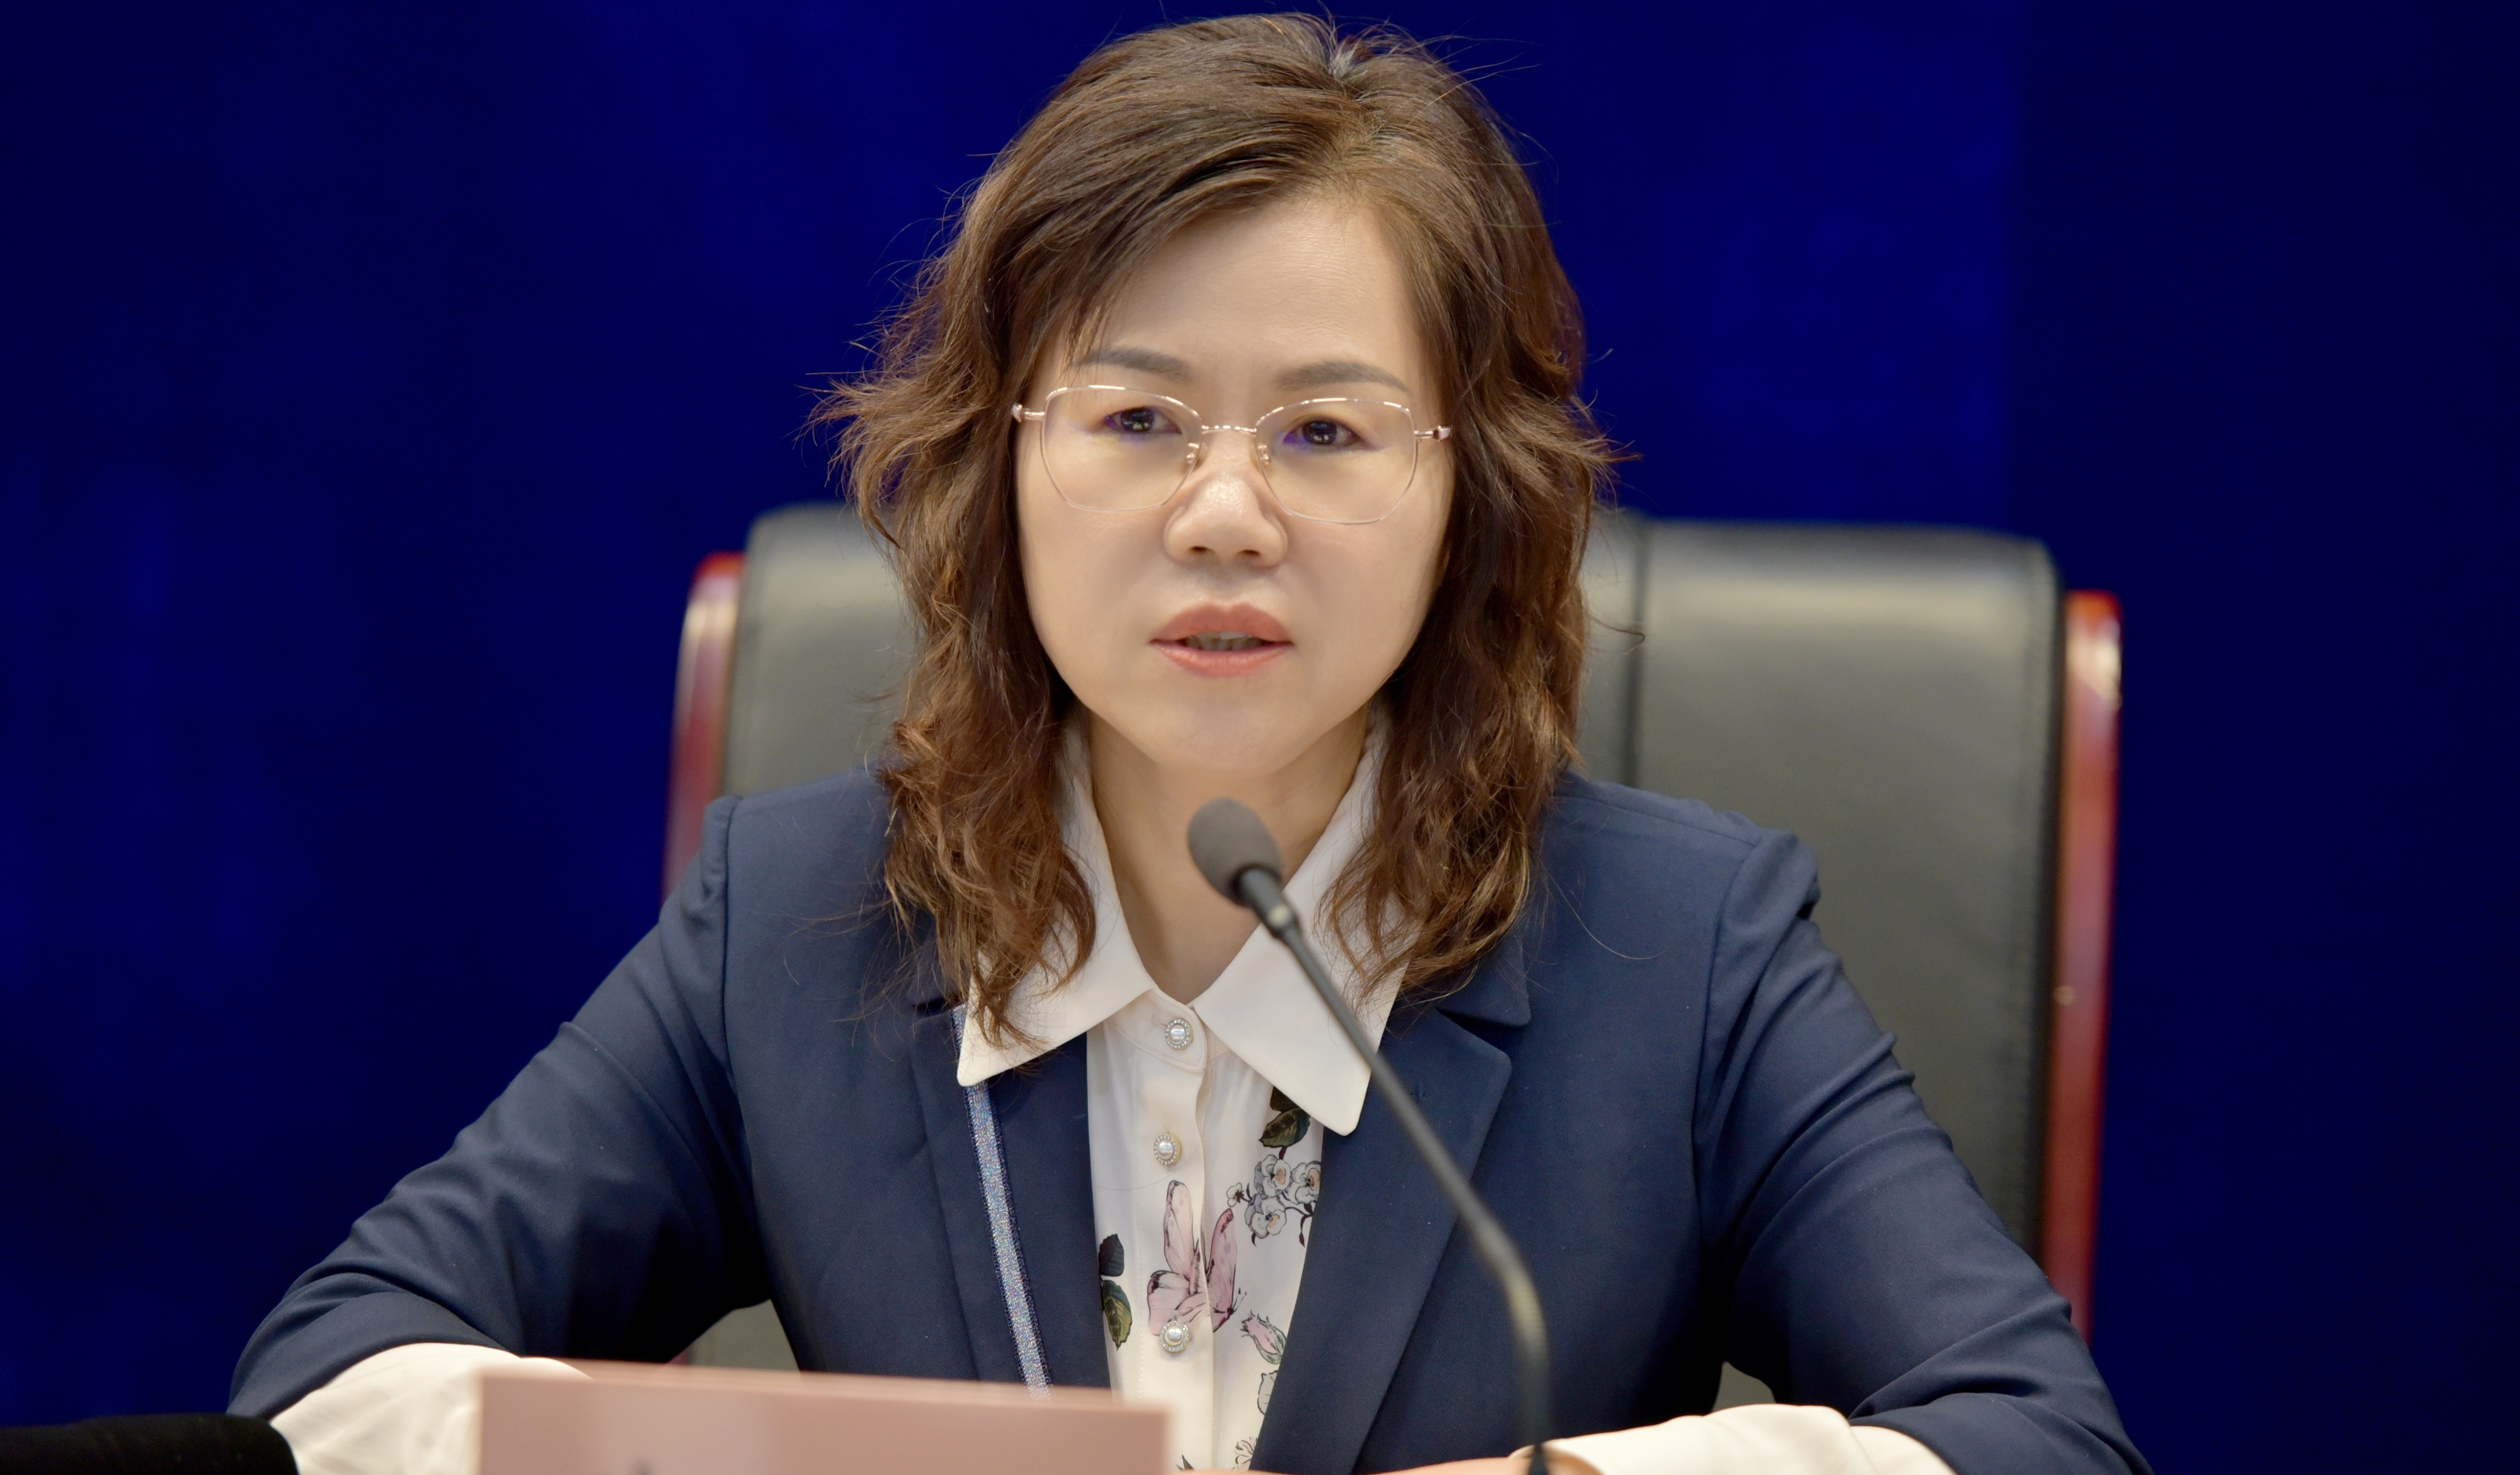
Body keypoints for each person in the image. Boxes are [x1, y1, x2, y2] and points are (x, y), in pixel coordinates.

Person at [231, 15, 2147, 1475]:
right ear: (999, 468)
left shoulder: (1685, 951)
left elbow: (2037, 1438)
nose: (1225, 514)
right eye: (1137, 419)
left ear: (1468, 498)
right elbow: (332, 1381)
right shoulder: (797, 922)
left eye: (1324, 432)